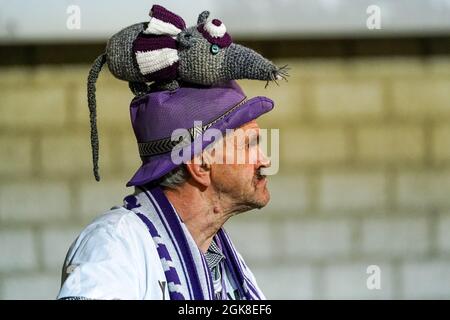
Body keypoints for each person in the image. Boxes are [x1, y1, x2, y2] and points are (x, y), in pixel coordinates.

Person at [57, 4, 286, 300]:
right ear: (200, 165)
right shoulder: (116, 245)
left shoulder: (221, 259)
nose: (266, 160)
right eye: (250, 144)